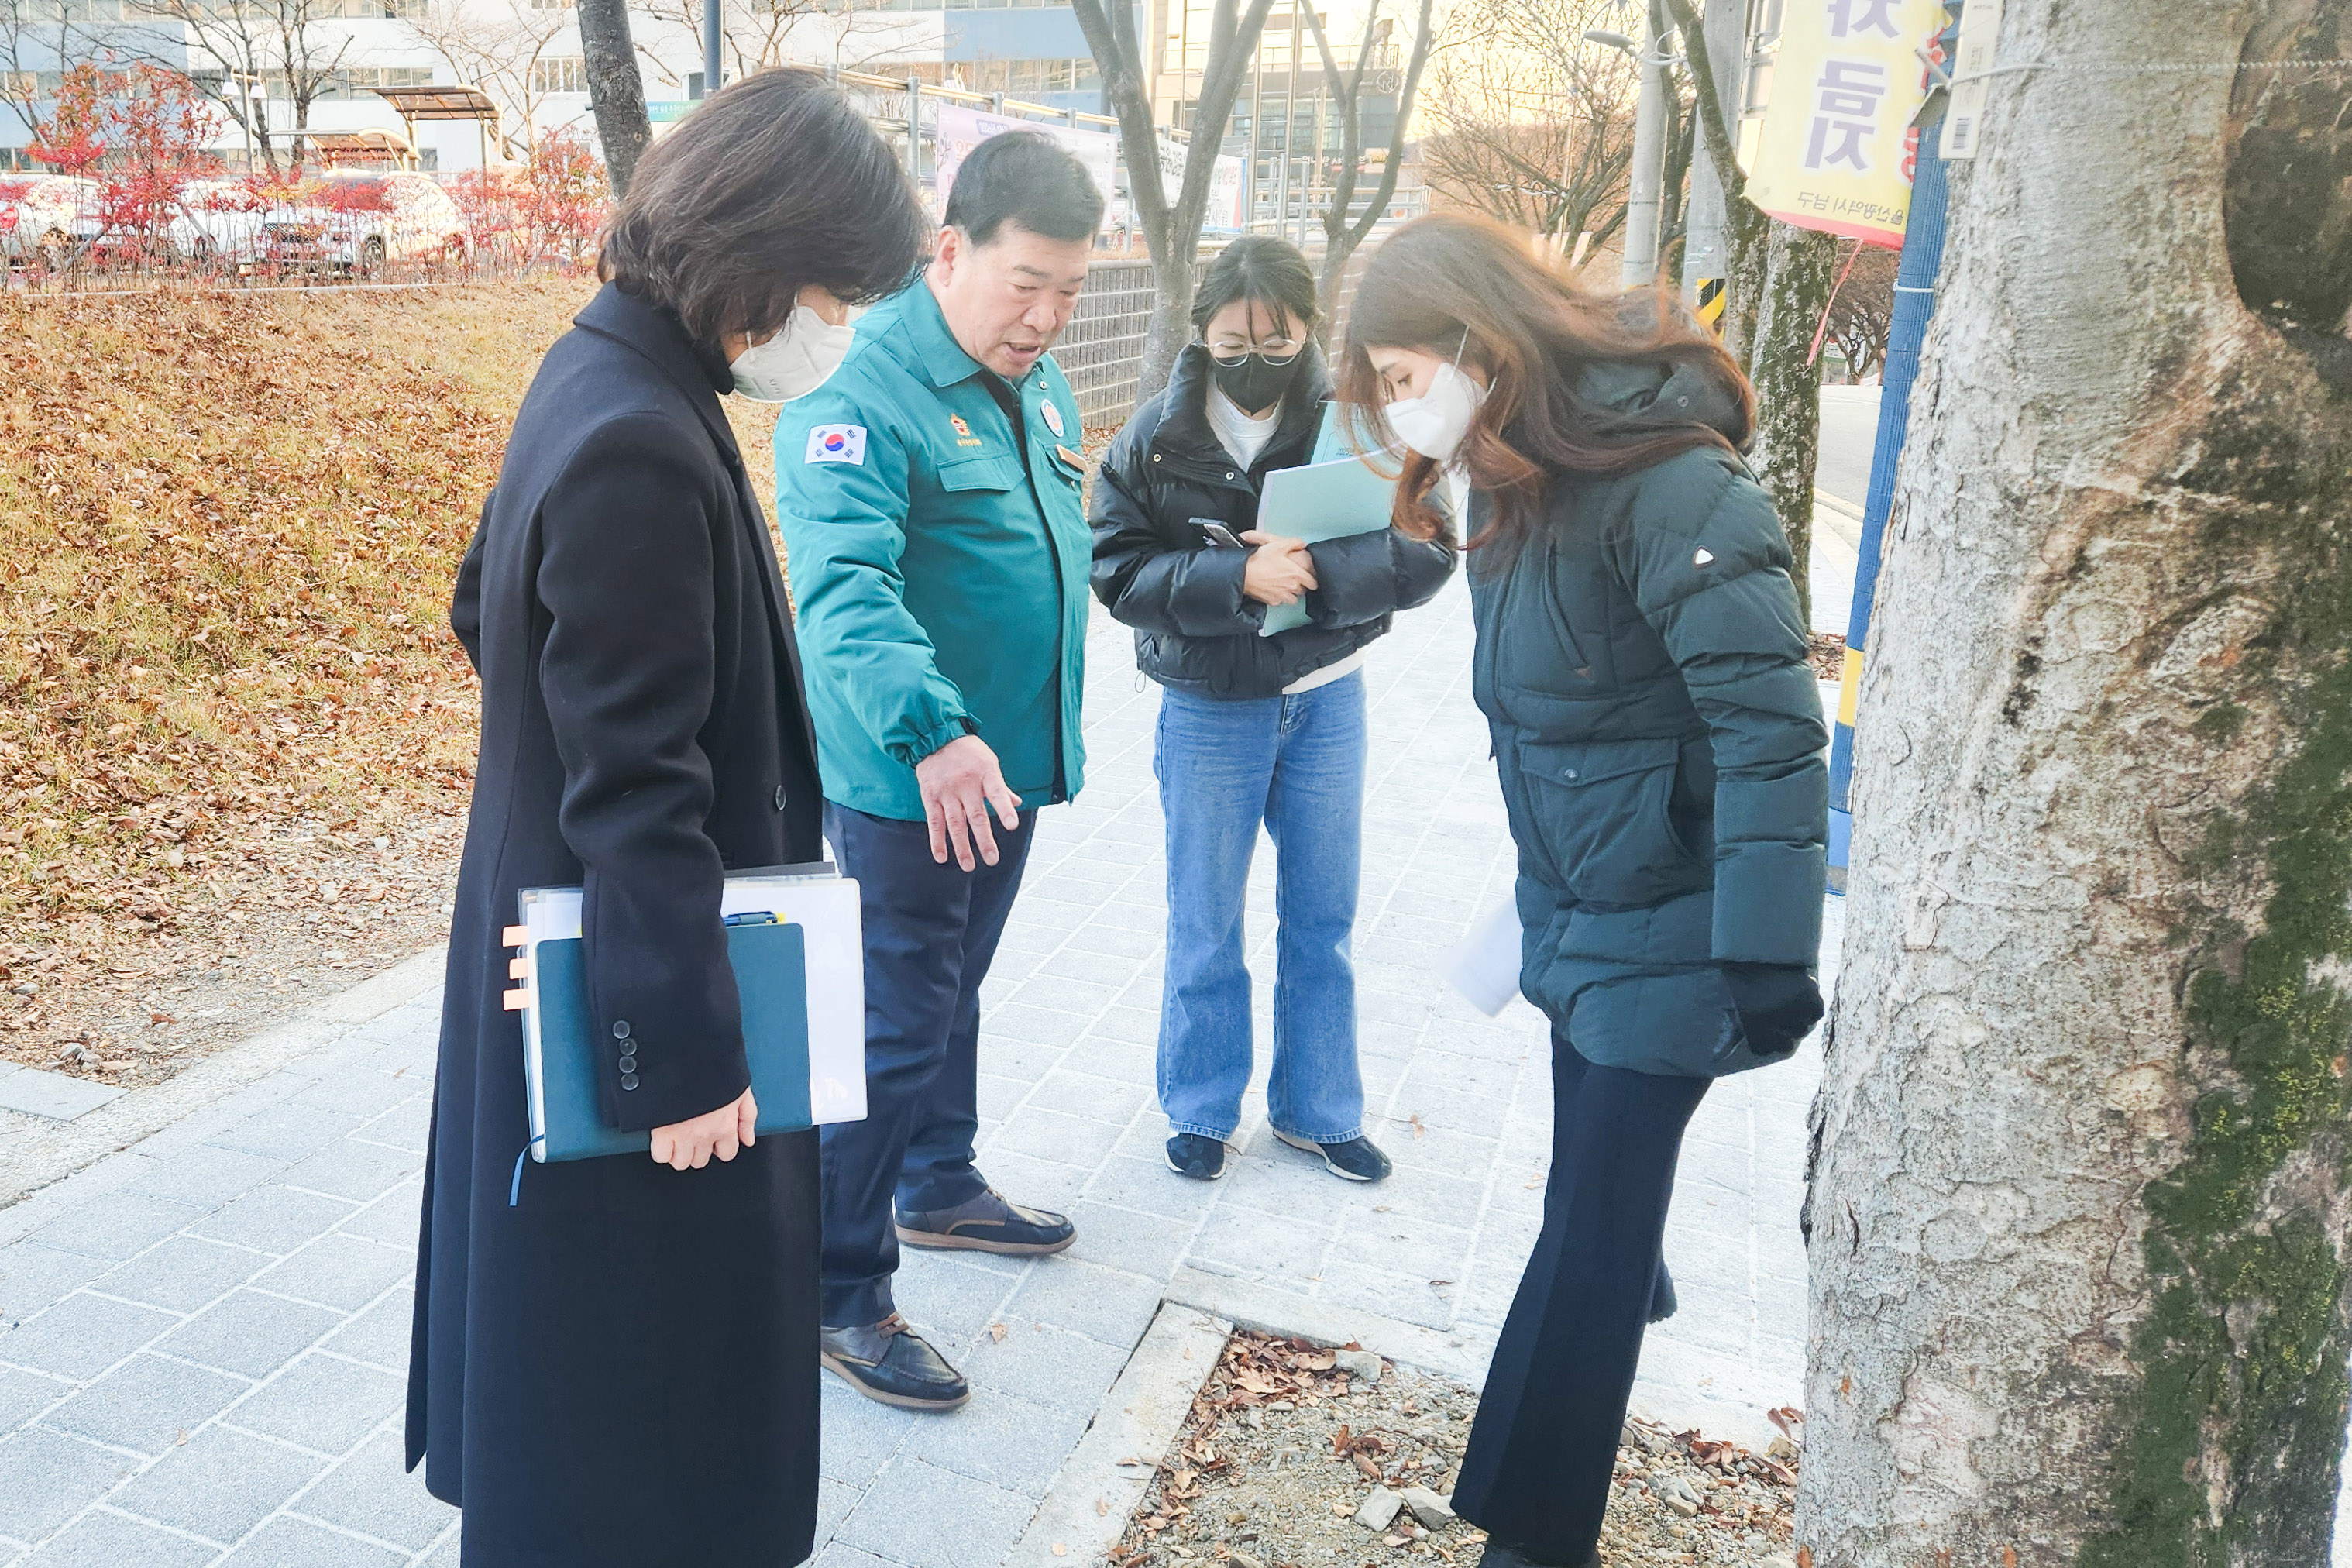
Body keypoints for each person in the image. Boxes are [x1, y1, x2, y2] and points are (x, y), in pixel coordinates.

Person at [405, 70, 926, 1567]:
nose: (835, 325)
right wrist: (684, 1058)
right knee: (636, 1388)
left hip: (580, 943)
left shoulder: (599, 370)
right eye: (835, 291)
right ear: (764, 252)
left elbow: (488, 609)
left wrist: (537, 787)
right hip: (640, 986)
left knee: (583, 1358)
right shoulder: (640, 430)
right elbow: (639, 784)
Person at [1339, 214, 1828, 1568]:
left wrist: (1767, 949)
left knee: (1585, 1246)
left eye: (1402, 377)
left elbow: (1769, 729)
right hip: (1581, 912)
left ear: (1477, 338)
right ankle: (1634, 1267)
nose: (1403, 409)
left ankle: (1530, 1537)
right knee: (1594, 1207)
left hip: (1682, 924)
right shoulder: (1520, 483)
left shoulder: (1675, 487)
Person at [772, 132, 1099, 1414]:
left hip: (1004, 766)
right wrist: (934, 731)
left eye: (1068, 289)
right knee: (894, 1024)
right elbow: (844, 593)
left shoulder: (1039, 383)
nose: (1046, 316)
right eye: (1026, 284)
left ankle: (941, 1180)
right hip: (910, 777)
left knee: (952, 992)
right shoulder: (855, 396)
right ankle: (836, 1288)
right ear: (949, 250)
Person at [1089, 236, 1452, 1184]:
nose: (1255, 360)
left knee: (1323, 916)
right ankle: (1201, 1107)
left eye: (1279, 342)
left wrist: (1318, 571)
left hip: (1326, 697)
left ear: (1311, 329)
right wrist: (1234, 578)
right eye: (1234, 342)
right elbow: (1117, 571)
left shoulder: (1364, 422)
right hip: (1209, 708)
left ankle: (1318, 1109)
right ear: (1202, 331)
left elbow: (1431, 545)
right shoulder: (1152, 438)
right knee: (1205, 917)